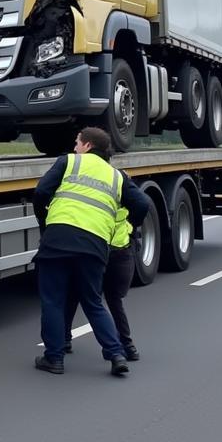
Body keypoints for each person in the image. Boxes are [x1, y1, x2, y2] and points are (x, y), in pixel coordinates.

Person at [31, 126, 150, 377]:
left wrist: (46, 225)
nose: (75, 147)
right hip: (95, 245)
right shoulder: (117, 176)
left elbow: (41, 192)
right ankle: (116, 354)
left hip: (58, 239)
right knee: (93, 301)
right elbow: (142, 204)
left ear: (87, 146)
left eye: (77, 142)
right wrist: (129, 228)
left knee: (53, 300)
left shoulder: (69, 162)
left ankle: (54, 358)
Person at [63, 206, 139, 361]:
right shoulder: (121, 189)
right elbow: (141, 205)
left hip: (96, 250)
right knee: (114, 299)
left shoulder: (91, 196)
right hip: (121, 250)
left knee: (76, 292)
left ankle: (64, 340)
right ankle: (128, 346)